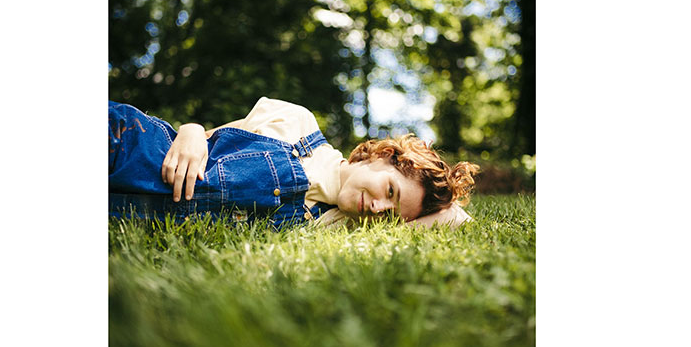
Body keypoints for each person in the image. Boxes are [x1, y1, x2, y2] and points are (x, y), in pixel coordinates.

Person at [109, 97, 479, 229]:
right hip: (130, 145)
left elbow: (456, 219)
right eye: (390, 191)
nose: (378, 208)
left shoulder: (333, 223)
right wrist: (189, 130)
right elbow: (205, 139)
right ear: (381, 157)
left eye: (390, 213)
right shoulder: (299, 123)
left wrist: (443, 201)